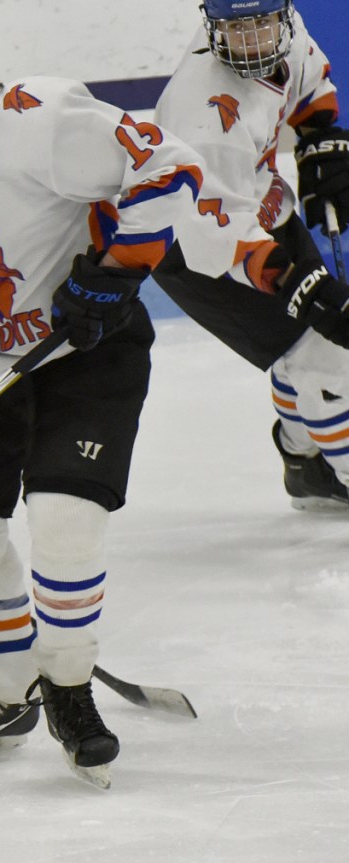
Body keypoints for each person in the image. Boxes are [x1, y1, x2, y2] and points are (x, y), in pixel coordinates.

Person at [0, 19, 349, 786]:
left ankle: (71, 690)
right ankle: (7, 692)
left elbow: (166, 169)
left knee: (65, 524)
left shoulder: (36, 121)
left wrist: (114, 270)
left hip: (86, 349)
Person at [153, 0, 349, 510]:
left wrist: (319, 139)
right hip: (195, 251)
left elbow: (309, 82)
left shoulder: (288, 32)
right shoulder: (204, 111)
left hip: (260, 204)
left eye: (262, 23)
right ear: (212, 27)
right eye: (237, 29)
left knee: (304, 353)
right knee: (329, 356)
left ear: (283, 17)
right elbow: (212, 234)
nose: (254, 40)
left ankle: (305, 464)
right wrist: (303, 288)